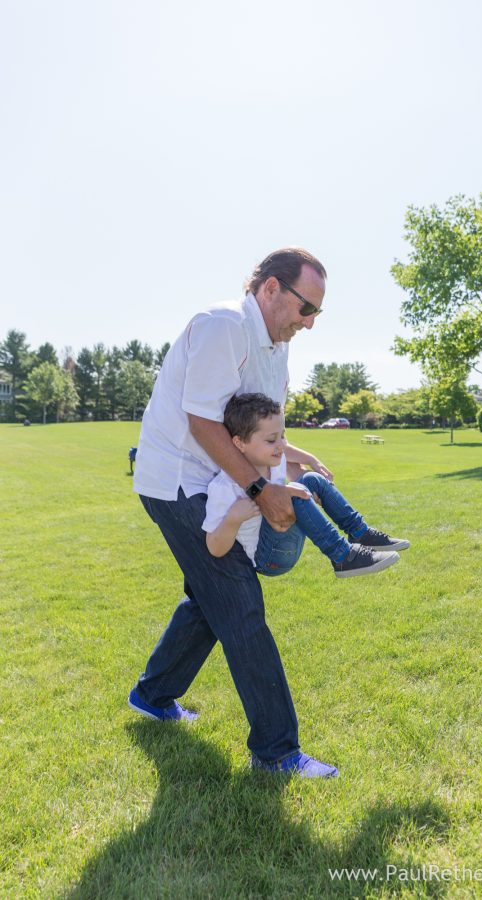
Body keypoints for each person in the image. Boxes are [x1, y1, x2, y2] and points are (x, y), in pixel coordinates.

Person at [129, 248, 342, 778]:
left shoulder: (275, 349)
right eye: (305, 307)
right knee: (240, 602)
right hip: (175, 483)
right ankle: (277, 752)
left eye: (317, 312)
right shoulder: (223, 325)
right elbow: (202, 423)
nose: (309, 322)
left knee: (211, 595)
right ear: (271, 288)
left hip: (214, 482)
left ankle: (153, 695)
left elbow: (255, 432)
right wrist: (258, 489)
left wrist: (295, 456)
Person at [204, 393, 410, 578]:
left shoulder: (275, 464)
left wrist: (311, 461)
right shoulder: (224, 487)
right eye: (271, 440)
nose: (281, 445)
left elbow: (287, 453)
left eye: (282, 436)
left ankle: (361, 533)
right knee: (294, 493)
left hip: (284, 535)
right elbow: (214, 548)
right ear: (239, 443)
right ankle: (343, 556)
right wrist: (233, 518)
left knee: (312, 480)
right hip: (268, 557)